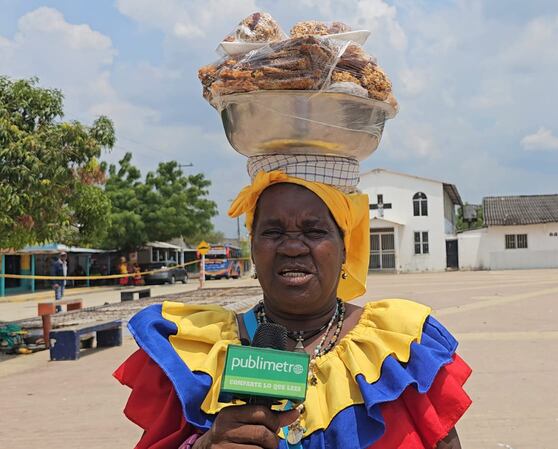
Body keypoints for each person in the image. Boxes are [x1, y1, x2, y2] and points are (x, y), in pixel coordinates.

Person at [114, 170, 471, 449]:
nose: (293, 247)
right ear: (252, 250)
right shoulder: (196, 353)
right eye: (273, 232)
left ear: (345, 250)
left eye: (314, 231)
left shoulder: (399, 346)